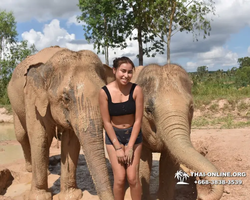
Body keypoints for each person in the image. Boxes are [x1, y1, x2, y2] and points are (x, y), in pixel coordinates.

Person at [99, 57, 144, 200]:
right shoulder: (104, 92)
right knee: (119, 178)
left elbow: (138, 120)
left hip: (133, 136)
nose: (126, 75)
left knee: (132, 178)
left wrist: (130, 146)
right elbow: (106, 122)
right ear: (114, 71)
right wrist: (118, 148)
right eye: (123, 71)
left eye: (130, 72)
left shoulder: (136, 90)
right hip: (114, 137)